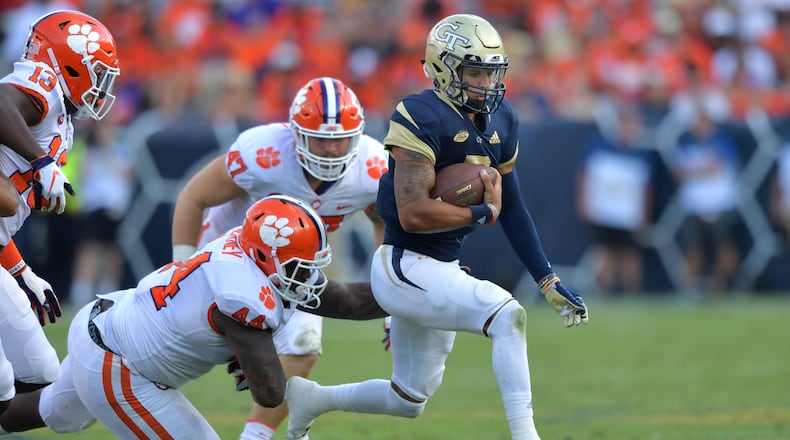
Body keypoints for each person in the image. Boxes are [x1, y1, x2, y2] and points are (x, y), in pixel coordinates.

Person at [283, 14, 589, 440]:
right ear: (445, 69)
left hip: (441, 265)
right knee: (507, 315)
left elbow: (513, 207)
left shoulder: (503, 120)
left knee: (407, 399)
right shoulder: (420, 114)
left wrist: (547, 278)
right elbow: (412, 213)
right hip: (402, 264)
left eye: (491, 72)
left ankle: (311, 399)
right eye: (475, 72)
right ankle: (526, 435)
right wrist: (480, 214)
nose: (485, 83)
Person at [0, 195, 388, 438]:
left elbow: (347, 300)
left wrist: (411, 291)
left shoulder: (246, 248)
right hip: (123, 367)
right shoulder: (243, 297)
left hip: (104, 323)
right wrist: (253, 359)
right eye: (299, 266)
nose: (309, 276)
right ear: (268, 260)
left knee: (50, 411)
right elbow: (270, 394)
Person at [170, 76, 388, 439]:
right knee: (181, 353)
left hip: (294, 267)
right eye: (321, 138)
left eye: (340, 140)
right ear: (296, 134)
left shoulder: (373, 167)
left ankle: (256, 436)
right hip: (227, 258)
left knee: (304, 347)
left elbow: (383, 222)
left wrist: (389, 297)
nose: (332, 151)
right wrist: (179, 266)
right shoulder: (265, 154)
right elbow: (194, 196)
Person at [0, 9, 120, 413]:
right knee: (2, 381)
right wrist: (40, 161)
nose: (102, 87)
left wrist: (22, 272)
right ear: (69, 62)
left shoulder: (62, 120)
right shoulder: (43, 82)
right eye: (98, 73)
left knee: (42, 376)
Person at [576, 102, 654, 295]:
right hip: (604, 211)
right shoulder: (598, 145)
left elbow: (647, 187)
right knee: (605, 251)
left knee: (630, 253)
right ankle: (605, 292)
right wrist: (584, 200)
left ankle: (630, 294)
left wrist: (644, 214)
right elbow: (584, 174)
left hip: (629, 213)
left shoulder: (643, 152)